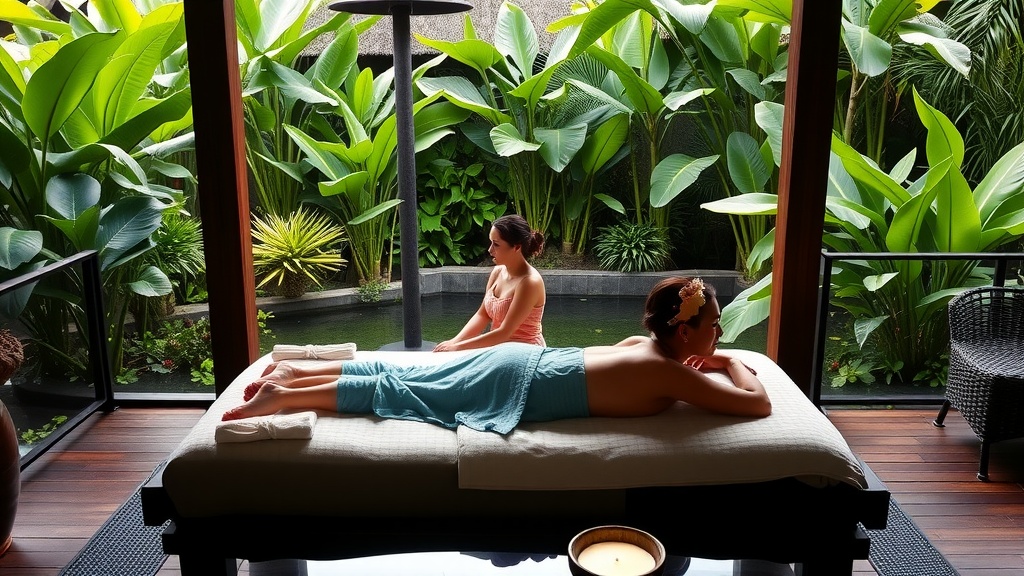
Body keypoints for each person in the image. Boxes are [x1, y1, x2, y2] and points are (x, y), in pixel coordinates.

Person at [222, 277, 772, 431]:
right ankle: (283, 394)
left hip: (522, 363)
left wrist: (721, 358)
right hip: (522, 386)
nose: (720, 338)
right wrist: (732, 364)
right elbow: (756, 406)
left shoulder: (644, 347)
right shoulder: (669, 374)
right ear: (683, 332)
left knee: (407, 370)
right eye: (716, 328)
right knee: (409, 393)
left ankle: (298, 371)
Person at [433, 214, 546, 352]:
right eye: (491, 242)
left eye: (496, 244)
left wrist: (457, 347)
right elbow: (483, 314)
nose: (490, 249)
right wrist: (454, 341)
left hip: (524, 353)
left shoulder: (530, 282)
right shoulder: (498, 272)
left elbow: (505, 332)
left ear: (517, 247)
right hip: (498, 349)